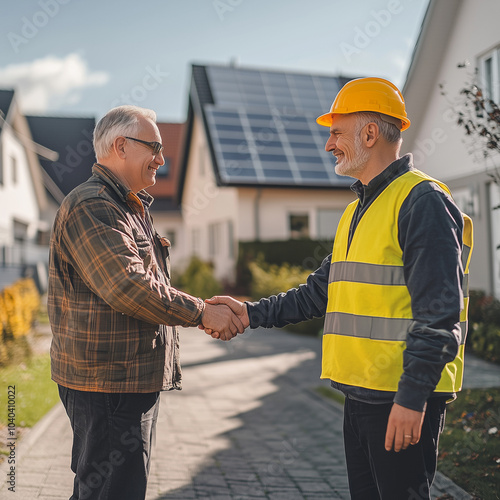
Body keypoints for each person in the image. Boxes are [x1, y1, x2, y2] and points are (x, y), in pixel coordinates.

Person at [202, 78, 473, 499]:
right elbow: (317, 293)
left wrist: (413, 397)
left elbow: (440, 314)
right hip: (362, 396)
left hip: (398, 398)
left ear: (369, 133)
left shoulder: (422, 201)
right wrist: (249, 312)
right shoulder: (356, 210)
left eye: (336, 133)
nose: (329, 145)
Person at [48, 105, 244, 500]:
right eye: (153, 147)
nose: (162, 158)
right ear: (121, 146)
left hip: (125, 380)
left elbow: (144, 285)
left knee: (111, 487)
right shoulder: (94, 205)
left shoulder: (127, 205)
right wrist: (202, 311)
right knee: (110, 490)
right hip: (108, 384)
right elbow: (127, 285)